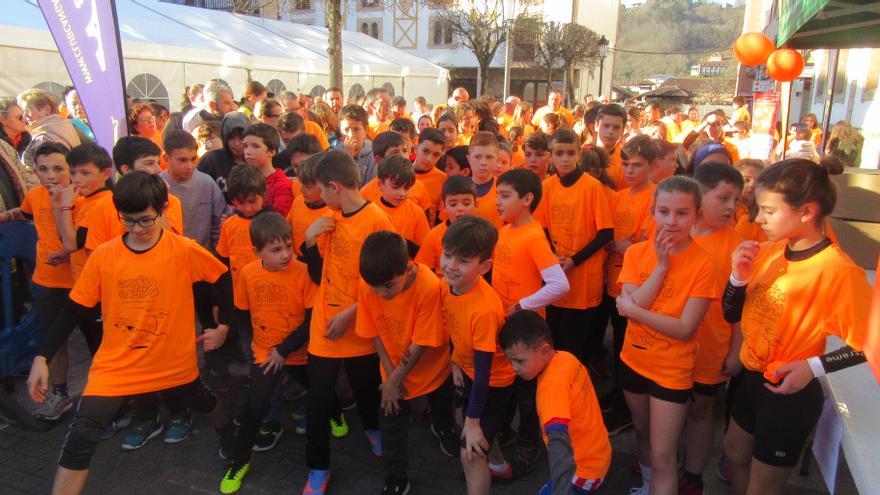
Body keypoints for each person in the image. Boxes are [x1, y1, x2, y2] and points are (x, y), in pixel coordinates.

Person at [26, 171, 235, 495]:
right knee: (82, 435)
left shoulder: (182, 250)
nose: (137, 229)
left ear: (163, 210)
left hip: (173, 361)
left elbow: (221, 280)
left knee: (204, 402)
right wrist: (42, 356)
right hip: (117, 366)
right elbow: (74, 309)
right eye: (128, 221)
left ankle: (226, 430)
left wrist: (222, 327)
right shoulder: (105, 256)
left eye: (145, 220)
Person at [722, 159, 870, 495]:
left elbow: (869, 344)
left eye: (769, 211)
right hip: (751, 379)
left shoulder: (838, 271)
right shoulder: (770, 252)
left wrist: (812, 367)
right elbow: (730, 314)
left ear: (806, 212)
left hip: (789, 392)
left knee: (763, 486)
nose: (758, 219)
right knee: (733, 453)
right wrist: (737, 277)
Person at [615, 176, 720, 495]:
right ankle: (646, 486)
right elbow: (638, 300)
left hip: (671, 371)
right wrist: (660, 267)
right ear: (653, 212)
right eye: (664, 211)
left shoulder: (705, 264)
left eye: (682, 213)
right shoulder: (637, 254)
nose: (671, 221)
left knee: (664, 455)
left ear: (697, 216)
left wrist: (634, 312)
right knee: (643, 434)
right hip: (633, 359)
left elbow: (685, 328)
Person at [298, 150, 395, 494]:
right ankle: (318, 468)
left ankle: (373, 428)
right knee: (318, 400)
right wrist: (308, 241)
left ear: (335, 186)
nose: (319, 199)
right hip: (324, 328)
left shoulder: (376, 220)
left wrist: (349, 314)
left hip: (360, 326)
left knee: (367, 386)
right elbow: (316, 271)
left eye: (321, 191)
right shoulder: (330, 218)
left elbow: (385, 281)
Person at [217, 212, 317, 494]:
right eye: (276, 250)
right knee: (254, 409)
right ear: (256, 251)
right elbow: (242, 313)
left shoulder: (303, 271)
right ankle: (240, 461)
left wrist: (283, 350)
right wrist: (256, 346)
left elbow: (311, 321)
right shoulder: (248, 273)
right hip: (265, 353)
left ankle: (335, 413)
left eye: (288, 245)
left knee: (320, 393)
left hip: (300, 352)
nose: (286, 254)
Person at [355, 231, 457, 494]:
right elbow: (374, 332)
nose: (380, 293)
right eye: (375, 287)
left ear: (409, 268)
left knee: (442, 406)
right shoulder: (370, 283)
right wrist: (391, 381)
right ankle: (396, 478)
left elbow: (421, 343)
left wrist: (393, 380)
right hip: (393, 372)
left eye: (388, 286)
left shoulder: (429, 286)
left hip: (433, 370)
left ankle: (443, 428)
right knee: (391, 428)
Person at [679, 163, 745, 495]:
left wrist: (735, 350)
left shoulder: (737, 245)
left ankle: (692, 473)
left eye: (736, 199)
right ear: (698, 196)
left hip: (711, 347)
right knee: (670, 404)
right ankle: (661, 456)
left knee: (700, 411)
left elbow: (742, 308)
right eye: (724, 198)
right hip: (670, 346)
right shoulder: (675, 231)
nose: (732, 207)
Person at [438, 215, 515, 493]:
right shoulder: (450, 286)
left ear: (484, 267)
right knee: (470, 426)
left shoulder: (484, 309)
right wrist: (455, 362)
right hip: (468, 372)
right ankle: (499, 467)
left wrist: (472, 423)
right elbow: (453, 331)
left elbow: (485, 372)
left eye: (463, 261)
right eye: (448, 255)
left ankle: (487, 464)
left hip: (493, 383)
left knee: (469, 454)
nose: (451, 266)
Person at [0, 142, 76, 420]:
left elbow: (71, 238)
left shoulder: (79, 198)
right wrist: (3, 217)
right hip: (46, 281)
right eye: (43, 169)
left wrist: (61, 204)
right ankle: (60, 394)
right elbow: (24, 212)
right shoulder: (34, 194)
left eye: (58, 168)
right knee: (53, 341)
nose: (51, 175)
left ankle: (109, 396)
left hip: (81, 282)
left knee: (98, 343)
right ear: (35, 171)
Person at [499, 310, 612, 495]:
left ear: (544, 350)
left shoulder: (551, 389)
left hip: (582, 470)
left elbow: (559, 445)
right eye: (510, 360)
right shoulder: (567, 358)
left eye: (519, 361)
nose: (514, 367)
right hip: (598, 451)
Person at [538, 129, 613, 365]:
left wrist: (573, 261)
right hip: (556, 277)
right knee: (553, 344)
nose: (565, 159)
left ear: (579, 155)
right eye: (559, 153)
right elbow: (542, 228)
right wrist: (553, 257)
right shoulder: (548, 186)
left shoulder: (592, 187)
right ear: (551, 156)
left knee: (573, 351)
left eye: (570, 153)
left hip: (582, 281)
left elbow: (606, 233)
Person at [599, 135, 658, 435]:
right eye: (626, 164)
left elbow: (648, 248)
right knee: (615, 346)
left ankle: (626, 409)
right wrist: (624, 245)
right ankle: (617, 395)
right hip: (611, 282)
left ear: (651, 166)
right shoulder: (618, 197)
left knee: (627, 347)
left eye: (638, 165)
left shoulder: (654, 198)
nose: (631, 170)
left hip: (635, 288)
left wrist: (623, 245)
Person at [160, 130, 228, 251]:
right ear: (166, 158)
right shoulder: (158, 185)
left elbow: (220, 222)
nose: (189, 166)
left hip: (203, 257)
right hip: (169, 256)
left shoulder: (207, 183)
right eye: (182, 160)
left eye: (193, 159)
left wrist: (215, 254)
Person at [415, 175, 476, 274]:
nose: (460, 208)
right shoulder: (434, 236)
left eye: (466, 203)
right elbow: (423, 271)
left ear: (476, 204)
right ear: (443, 206)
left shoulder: (483, 233)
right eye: (453, 204)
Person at [373, 155, 430, 257]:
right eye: (396, 187)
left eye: (407, 188)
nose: (402, 193)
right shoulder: (371, 211)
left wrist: (407, 246)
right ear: (380, 184)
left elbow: (426, 251)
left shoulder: (416, 213)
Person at [17, 89, 81, 169]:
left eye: (28, 110)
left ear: (47, 110)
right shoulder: (64, 126)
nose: (25, 116)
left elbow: (46, 173)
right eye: (23, 111)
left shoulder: (44, 138)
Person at [198, 111, 250, 203]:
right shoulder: (212, 160)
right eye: (231, 138)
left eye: (241, 138)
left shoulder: (255, 159)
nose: (236, 143)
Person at [243, 123, 292, 216]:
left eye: (255, 146)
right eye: (245, 146)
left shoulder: (281, 184)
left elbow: (279, 220)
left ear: (272, 151)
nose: (248, 152)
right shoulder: (244, 179)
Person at [287, 154, 330, 259]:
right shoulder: (298, 201)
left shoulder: (333, 212)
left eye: (308, 187)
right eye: (301, 184)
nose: (301, 190)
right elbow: (288, 228)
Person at [468, 131, 503, 228]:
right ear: (469, 159)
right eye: (477, 157)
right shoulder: (457, 188)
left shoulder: (504, 190)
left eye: (489, 157)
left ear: (497, 160)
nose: (483, 162)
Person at [411, 127, 446, 224]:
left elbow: (441, 218)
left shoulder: (442, 179)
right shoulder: (400, 173)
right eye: (426, 151)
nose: (429, 159)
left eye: (436, 155)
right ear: (416, 148)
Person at [336, 104, 375, 186]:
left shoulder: (373, 156)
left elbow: (372, 186)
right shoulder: (334, 155)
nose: (351, 135)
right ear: (340, 131)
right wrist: (347, 157)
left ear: (365, 131)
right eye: (346, 130)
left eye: (356, 129)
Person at [593, 104, 627, 190]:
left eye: (616, 127)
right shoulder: (579, 156)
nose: (610, 131)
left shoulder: (626, 164)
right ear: (596, 126)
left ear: (622, 130)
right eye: (606, 126)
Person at [734, 160, 768, 243]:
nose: (752, 185)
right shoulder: (725, 211)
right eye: (746, 180)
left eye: (758, 181)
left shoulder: (764, 216)